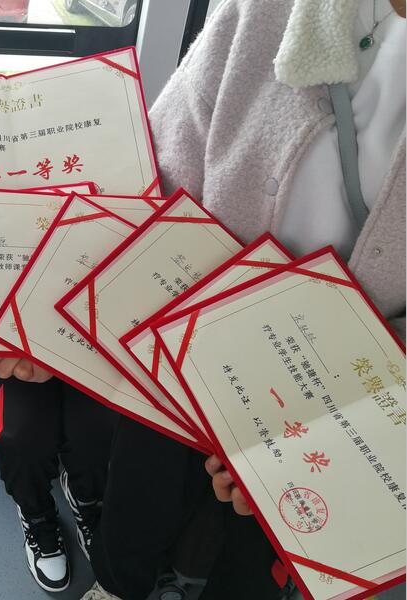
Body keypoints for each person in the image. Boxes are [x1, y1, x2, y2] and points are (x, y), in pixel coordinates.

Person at [82, 0, 406, 599]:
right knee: (141, 484)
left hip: (336, 384)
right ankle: (118, 584)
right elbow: (160, 164)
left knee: (266, 541)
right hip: (188, 325)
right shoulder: (264, 11)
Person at [0, 355, 118, 593]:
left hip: (88, 347)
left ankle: (86, 497)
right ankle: (36, 514)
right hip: (15, 348)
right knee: (22, 435)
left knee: (99, 424)